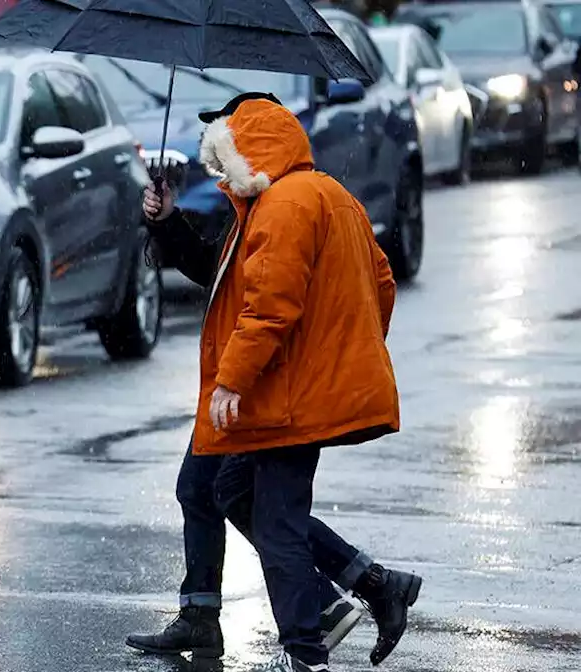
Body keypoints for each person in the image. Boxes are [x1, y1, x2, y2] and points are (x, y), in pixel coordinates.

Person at [125, 93, 422, 672]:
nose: (218, 174)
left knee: (274, 520)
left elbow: (269, 308)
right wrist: (168, 225)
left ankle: (307, 651)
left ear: (247, 150)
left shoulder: (283, 207)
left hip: (276, 393)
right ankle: (366, 587)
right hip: (285, 386)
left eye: (223, 158)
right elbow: (376, 285)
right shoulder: (313, 199)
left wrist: (237, 380)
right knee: (231, 491)